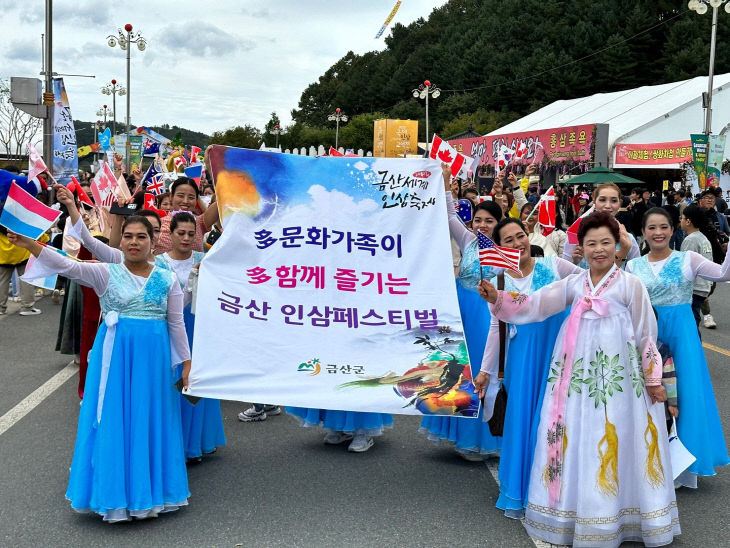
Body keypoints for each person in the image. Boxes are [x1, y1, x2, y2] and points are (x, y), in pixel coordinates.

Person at [480, 211, 679, 547]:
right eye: (591, 244)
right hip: (575, 378)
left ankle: (620, 515)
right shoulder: (574, 284)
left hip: (619, 380)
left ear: (616, 245)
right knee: (578, 435)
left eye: (605, 243)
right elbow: (535, 305)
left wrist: (653, 380)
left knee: (615, 434)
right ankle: (574, 512)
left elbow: (647, 334)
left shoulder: (631, 285)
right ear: (582, 248)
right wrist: (499, 298)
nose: (598, 250)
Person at [9, 216, 191, 522]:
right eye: (128, 236)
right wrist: (31, 244)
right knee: (113, 421)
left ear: (152, 242)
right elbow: (67, 266)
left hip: (153, 363)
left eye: (141, 237)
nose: (134, 242)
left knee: (150, 421)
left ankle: (150, 493)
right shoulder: (105, 272)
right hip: (115, 360)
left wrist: (186, 363)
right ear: (120, 242)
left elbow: (176, 323)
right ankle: (113, 494)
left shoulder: (167, 278)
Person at [473, 217, 580, 518]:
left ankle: (559, 491)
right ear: (498, 247)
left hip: (560, 352)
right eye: (509, 240)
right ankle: (524, 489)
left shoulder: (555, 265)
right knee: (526, 421)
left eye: (521, 235)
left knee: (558, 419)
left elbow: (590, 281)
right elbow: (497, 329)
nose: (519, 243)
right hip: (523, 360)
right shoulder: (498, 283)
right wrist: (485, 370)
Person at [626, 207, 730, 488]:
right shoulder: (633, 265)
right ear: (644, 231)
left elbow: (723, 274)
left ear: (674, 229)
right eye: (652, 228)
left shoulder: (689, 258)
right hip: (647, 331)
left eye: (664, 227)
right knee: (647, 393)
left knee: (685, 394)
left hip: (681, 333)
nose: (658, 233)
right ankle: (648, 460)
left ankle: (684, 466)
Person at [418, 164, 503, 460]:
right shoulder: (467, 241)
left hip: (489, 315)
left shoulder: (510, 250)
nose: (482, 225)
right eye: (478, 219)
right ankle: (462, 434)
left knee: (485, 370)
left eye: (489, 221)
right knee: (457, 370)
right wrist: (443, 182)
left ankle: (487, 435)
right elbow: (450, 215)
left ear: (499, 223)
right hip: (461, 311)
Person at [157, 212, 226, 462]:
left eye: (190, 234)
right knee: (170, 384)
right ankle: (172, 443)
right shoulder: (157, 263)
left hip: (199, 326)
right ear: (171, 234)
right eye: (180, 233)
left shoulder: (206, 259)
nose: (186, 238)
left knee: (196, 380)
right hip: (169, 327)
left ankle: (195, 442)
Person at [563, 182, 639, 269]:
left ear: (620, 203)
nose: (608, 206)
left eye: (614, 201)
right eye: (602, 200)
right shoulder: (575, 234)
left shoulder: (627, 239)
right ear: (594, 201)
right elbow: (564, 273)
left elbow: (636, 273)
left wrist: (623, 251)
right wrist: (574, 262)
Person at [155, 177, 219, 255]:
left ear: (196, 200)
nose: (185, 201)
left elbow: (221, 200)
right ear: (171, 197)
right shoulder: (158, 224)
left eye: (191, 197)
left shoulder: (199, 222)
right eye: (181, 196)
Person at [679, 204, 714, 328]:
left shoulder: (690, 240)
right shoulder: (703, 238)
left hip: (693, 289)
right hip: (703, 287)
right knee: (694, 320)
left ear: (688, 221)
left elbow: (685, 267)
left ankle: (694, 347)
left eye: (682, 218)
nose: (680, 220)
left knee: (690, 324)